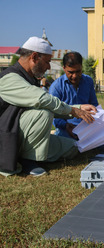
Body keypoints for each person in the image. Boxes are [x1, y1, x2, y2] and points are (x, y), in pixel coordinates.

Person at [0, 37, 96, 176]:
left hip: (22, 137)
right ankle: (29, 162)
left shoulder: (29, 78)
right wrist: (73, 110)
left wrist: (79, 107)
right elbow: (42, 100)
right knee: (43, 113)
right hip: (7, 138)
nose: (49, 67)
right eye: (47, 61)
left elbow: (49, 104)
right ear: (34, 57)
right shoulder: (9, 78)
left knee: (73, 147)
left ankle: (31, 155)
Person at [49, 51, 99, 139]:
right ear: (64, 68)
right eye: (71, 72)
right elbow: (53, 114)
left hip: (88, 125)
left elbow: (94, 105)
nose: (75, 76)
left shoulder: (88, 81)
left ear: (81, 67)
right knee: (69, 144)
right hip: (67, 128)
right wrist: (66, 126)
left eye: (78, 71)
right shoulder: (56, 87)